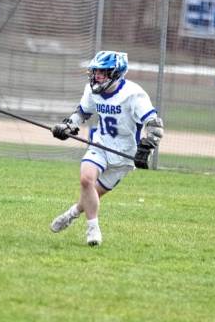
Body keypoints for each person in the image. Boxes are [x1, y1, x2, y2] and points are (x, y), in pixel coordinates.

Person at [49, 50, 164, 246]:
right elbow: (81, 114)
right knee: (86, 180)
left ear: (116, 73)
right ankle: (93, 230)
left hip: (124, 157)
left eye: (103, 72)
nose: (97, 76)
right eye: (95, 71)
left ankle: (72, 213)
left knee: (91, 194)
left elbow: (154, 125)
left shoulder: (133, 94)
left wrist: (148, 145)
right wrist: (67, 127)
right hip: (100, 145)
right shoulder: (92, 90)